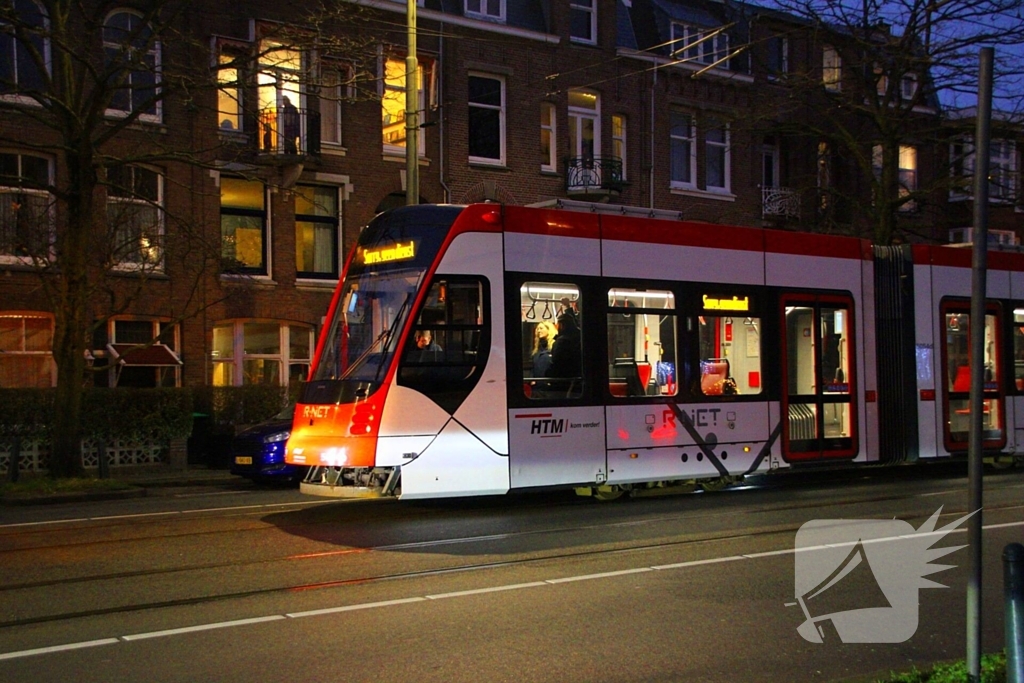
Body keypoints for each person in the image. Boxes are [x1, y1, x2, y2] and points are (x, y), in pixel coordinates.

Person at [547, 312, 582, 380]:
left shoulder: (562, 341)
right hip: (576, 375)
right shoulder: (579, 337)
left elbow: (557, 361)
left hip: (562, 377)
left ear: (562, 325)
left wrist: (548, 373)